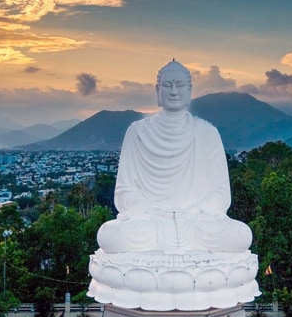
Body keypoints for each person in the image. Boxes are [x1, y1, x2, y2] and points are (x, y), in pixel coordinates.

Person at [96, 60, 252, 255]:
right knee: (111, 236)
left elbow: (221, 194)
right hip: (150, 222)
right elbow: (123, 193)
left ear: (189, 91)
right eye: (167, 86)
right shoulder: (137, 132)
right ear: (157, 91)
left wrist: (193, 212)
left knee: (239, 235)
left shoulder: (207, 132)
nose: (173, 92)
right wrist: (151, 211)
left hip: (197, 223)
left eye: (180, 86)